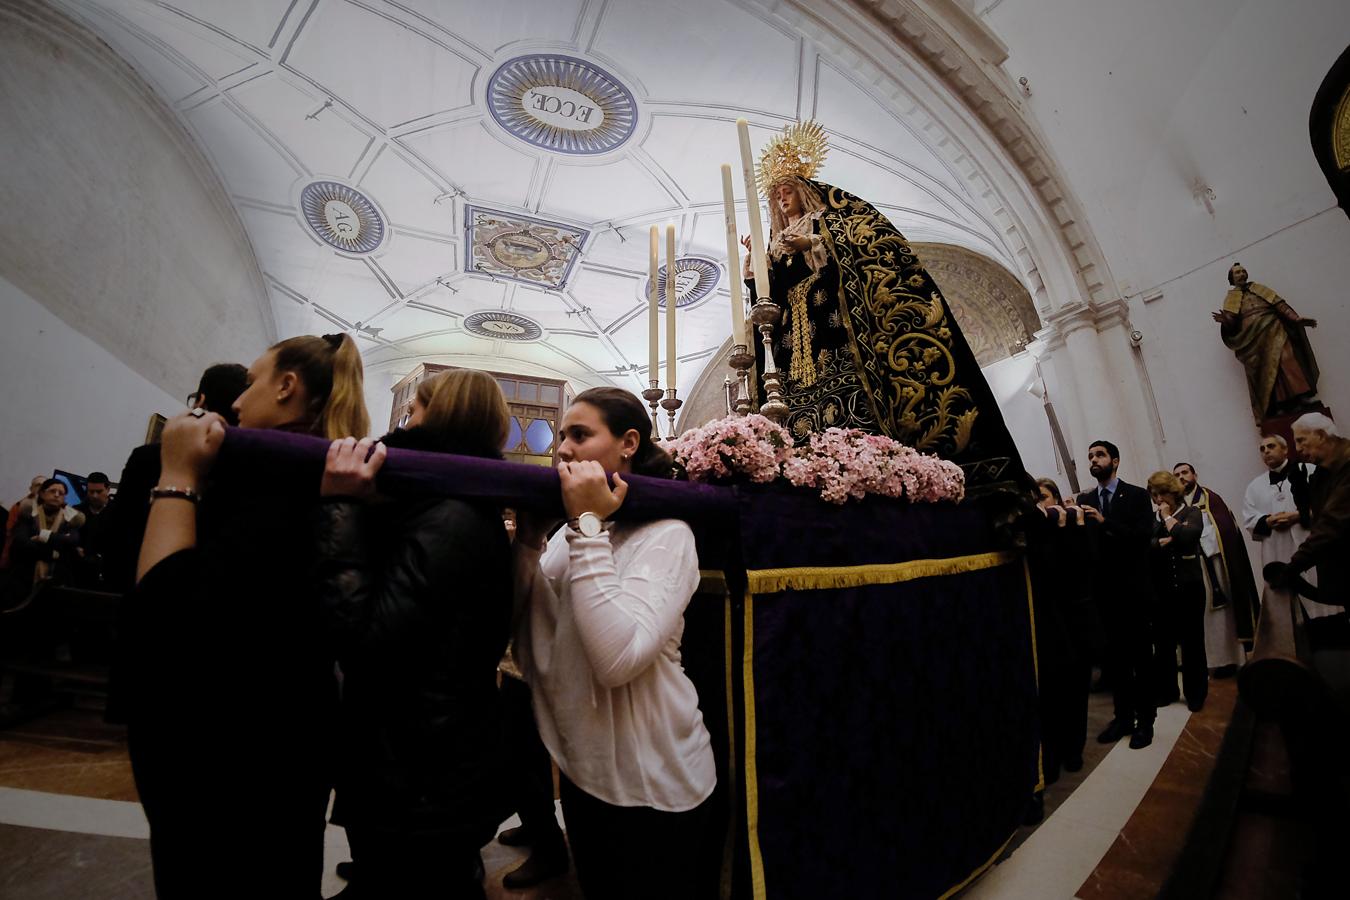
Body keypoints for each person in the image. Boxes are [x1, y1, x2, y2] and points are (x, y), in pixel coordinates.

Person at [123, 334, 368, 898]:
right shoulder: (313, 473)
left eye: (255, 381)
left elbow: (163, 607)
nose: (236, 402)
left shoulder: (268, 476)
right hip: (283, 732)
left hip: (227, 742)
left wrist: (178, 473)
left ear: (287, 387)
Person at [313, 369, 514, 899]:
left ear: (441, 416)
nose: (405, 420)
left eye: (416, 409)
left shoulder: (450, 515)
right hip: (417, 755)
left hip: (422, 769)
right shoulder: (444, 499)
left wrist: (341, 508)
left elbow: (368, 640)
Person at [742, 121, 1027, 493]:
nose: (782, 199)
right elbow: (768, 297)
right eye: (777, 194)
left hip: (832, 325)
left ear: (804, 191)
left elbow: (857, 248)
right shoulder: (776, 244)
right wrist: (753, 268)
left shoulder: (828, 221)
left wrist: (813, 243)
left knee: (846, 395)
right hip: (793, 338)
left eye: (788, 190)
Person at [514, 387, 717, 900]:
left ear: (628, 443)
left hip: (654, 782)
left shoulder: (668, 533)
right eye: (561, 436)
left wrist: (587, 524)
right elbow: (532, 637)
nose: (562, 448)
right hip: (585, 774)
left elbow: (617, 659)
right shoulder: (567, 534)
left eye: (579, 435)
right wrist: (529, 542)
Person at [103, 363, 249, 593]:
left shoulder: (150, 458)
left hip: (139, 587)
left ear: (201, 401)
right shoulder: (247, 466)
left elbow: (118, 532)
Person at [1076, 440, 1158, 749]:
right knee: (1116, 661)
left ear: (1116, 460)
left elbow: (1141, 537)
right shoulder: (1086, 499)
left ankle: (1146, 721)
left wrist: (1104, 522)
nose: (1094, 460)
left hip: (1134, 592)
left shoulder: (1136, 495)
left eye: (1099, 455)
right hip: (1104, 595)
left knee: (1141, 659)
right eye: (1090, 457)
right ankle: (1123, 717)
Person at [1023, 478, 1094, 823]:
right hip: (1048, 624)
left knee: (1075, 688)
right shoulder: (1034, 533)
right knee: (1050, 694)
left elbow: (1079, 567)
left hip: (1073, 620)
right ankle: (1050, 758)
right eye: (1035, 501)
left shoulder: (1068, 526)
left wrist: (1070, 526)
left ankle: (1074, 749)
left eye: (1044, 498)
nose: (1040, 506)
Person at [1172, 463, 1256, 675]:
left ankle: (1235, 657)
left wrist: (1197, 539)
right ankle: (1213, 661)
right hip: (1192, 567)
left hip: (1216, 564)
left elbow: (1225, 529)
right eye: (1176, 475)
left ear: (1194, 475)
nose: (1181, 477)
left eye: (1185, 472)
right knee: (1203, 615)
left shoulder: (1210, 499)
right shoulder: (1176, 505)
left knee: (1225, 613)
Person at [1242, 435, 1338, 619]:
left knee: (1319, 592)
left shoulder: (1309, 471)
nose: (1266, 451)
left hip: (1308, 542)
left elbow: (1329, 506)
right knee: (1291, 610)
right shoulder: (1255, 486)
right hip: (1277, 549)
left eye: (1271, 446)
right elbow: (1249, 519)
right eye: (1262, 449)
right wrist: (1268, 521)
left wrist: (1298, 516)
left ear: (1285, 449)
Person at [1211, 262, 1321, 421]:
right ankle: (1279, 404)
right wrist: (1225, 321)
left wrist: (1296, 319)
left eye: (1243, 271)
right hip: (1254, 340)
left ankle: (1301, 396)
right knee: (1268, 370)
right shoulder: (1231, 298)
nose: (1241, 274)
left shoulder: (1260, 289)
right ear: (1232, 279)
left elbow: (1280, 305)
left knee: (1287, 359)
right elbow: (1232, 321)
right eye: (1237, 273)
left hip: (1275, 328)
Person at [1269, 413, 1350, 613]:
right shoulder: (1323, 473)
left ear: (1321, 435)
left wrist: (1293, 567)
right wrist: (1301, 490)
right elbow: (1313, 519)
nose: (1297, 449)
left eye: (1301, 440)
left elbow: (1331, 524)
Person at [1146, 471, 1208, 712]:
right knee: (1163, 644)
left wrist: (1169, 520)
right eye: (1154, 494)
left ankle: (1196, 693)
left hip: (1189, 589)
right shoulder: (1151, 519)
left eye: (1162, 493)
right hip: (1162, 592)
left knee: (1193, 643)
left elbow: (1188, 536)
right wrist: (1160, 542)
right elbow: (1145, 545)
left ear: (1173, 492)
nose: (1158, 499)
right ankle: (1167, 691)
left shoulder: (1192, 512)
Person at [7, 478, 80, 596]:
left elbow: (72, 541)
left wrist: (42, 536)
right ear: (42, 493)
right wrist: (55, 550)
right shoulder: (29, 514)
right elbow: (21, 542)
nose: (56, 495)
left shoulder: (69, 519)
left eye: (61, 493)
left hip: (58, 577)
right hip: (26, 575)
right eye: (52, 491)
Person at [73, 472, 113, 589]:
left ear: (108, 489)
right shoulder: (76, 511)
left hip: (109, 570)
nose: (95, 495)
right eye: (91, 492)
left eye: (99, 491)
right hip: (81, 570)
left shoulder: (119, 513)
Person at [0, 476, 44, 572]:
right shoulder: (19, 507)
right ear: (31, 488)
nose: (41, 488)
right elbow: (10, 532)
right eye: (38, 485)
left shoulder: (50, 509)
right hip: (16, 556)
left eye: (44, 486)